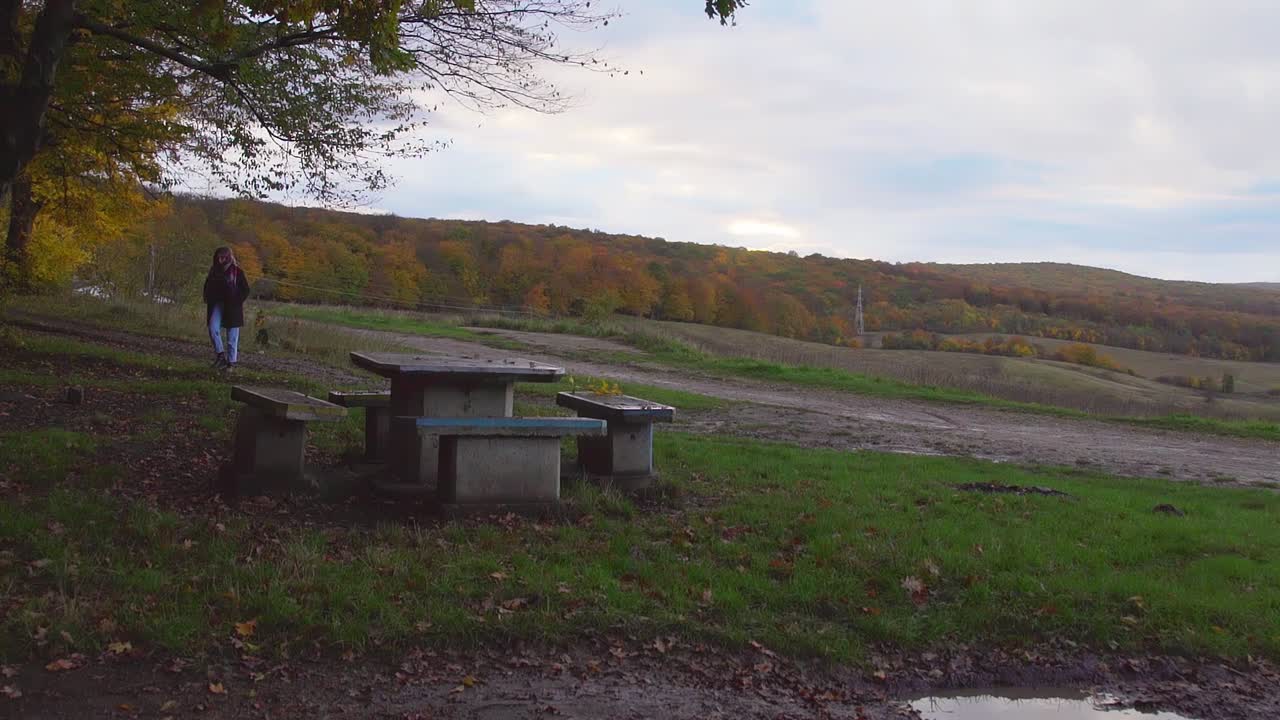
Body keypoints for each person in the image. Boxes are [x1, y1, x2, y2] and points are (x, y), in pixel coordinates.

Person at [203, 246, 251, 371]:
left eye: (223, 257)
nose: (220, 260)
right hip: (217, 304)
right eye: (218, 257)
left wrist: (236, 300)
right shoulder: (213, 271)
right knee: (213, 328)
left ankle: (231, 363)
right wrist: (208, 296)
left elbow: (245, 290)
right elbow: (207, 286)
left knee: (232, 337)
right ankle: (220, 356)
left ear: (228, 257)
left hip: (233, 307)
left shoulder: (237, 272)